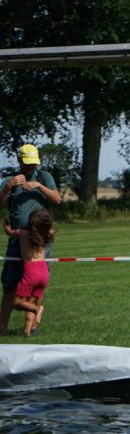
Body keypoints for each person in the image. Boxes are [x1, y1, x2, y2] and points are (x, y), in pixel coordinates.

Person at [0, 144, 61, 335]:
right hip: (17, 240)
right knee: (10, 284)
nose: (31, 167)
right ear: (19, 161)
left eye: (33, 164)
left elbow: (57, 200)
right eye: (27, 164)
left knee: (37, 287)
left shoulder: (44, 177)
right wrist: (8, 187)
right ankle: (2, 327)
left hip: (40, 242)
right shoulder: (9, 181)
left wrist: (39, 186)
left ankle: (32, 326)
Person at [2, 209, 55, 336]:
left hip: (31, 273)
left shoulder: (22, 233)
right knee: (30, 301)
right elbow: (51, 229)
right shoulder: (47, 234)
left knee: (16, 303)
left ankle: (37, 308)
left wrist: (6, 225)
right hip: (44, 273)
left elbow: (9, 232)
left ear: (30, 222)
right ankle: (28, 330)